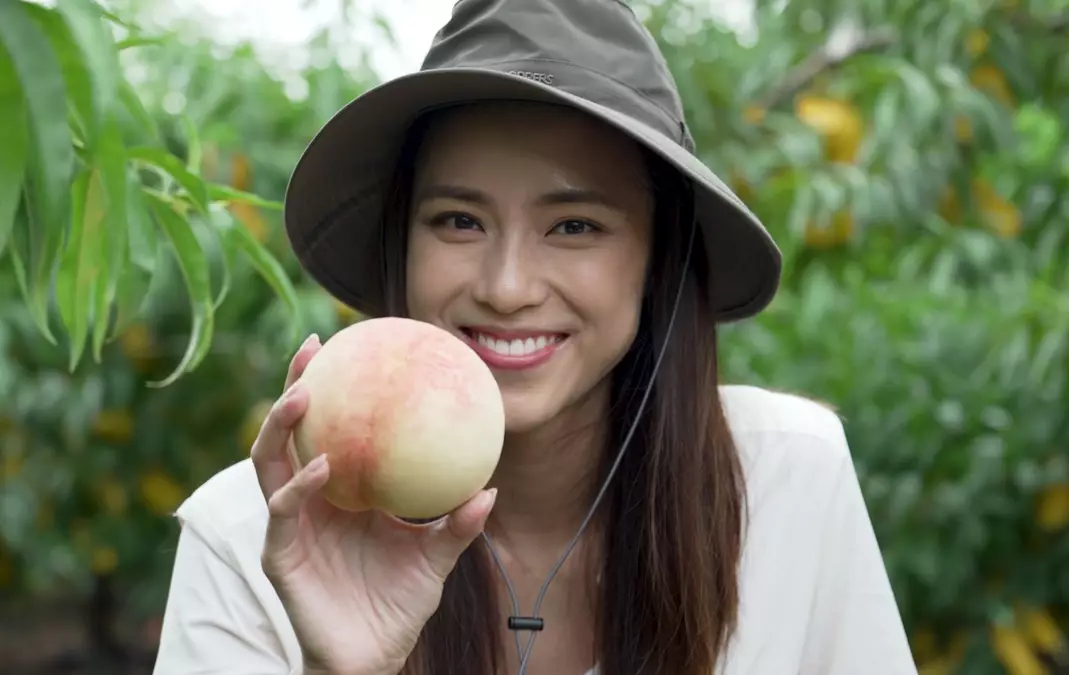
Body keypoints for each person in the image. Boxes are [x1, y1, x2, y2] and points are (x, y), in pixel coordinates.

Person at [152, 0, 918, 674]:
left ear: (658, 259)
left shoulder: (786, 482)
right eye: (459, 220)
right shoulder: (258, 537)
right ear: (402, 243)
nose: (508, 285)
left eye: (574, 226)